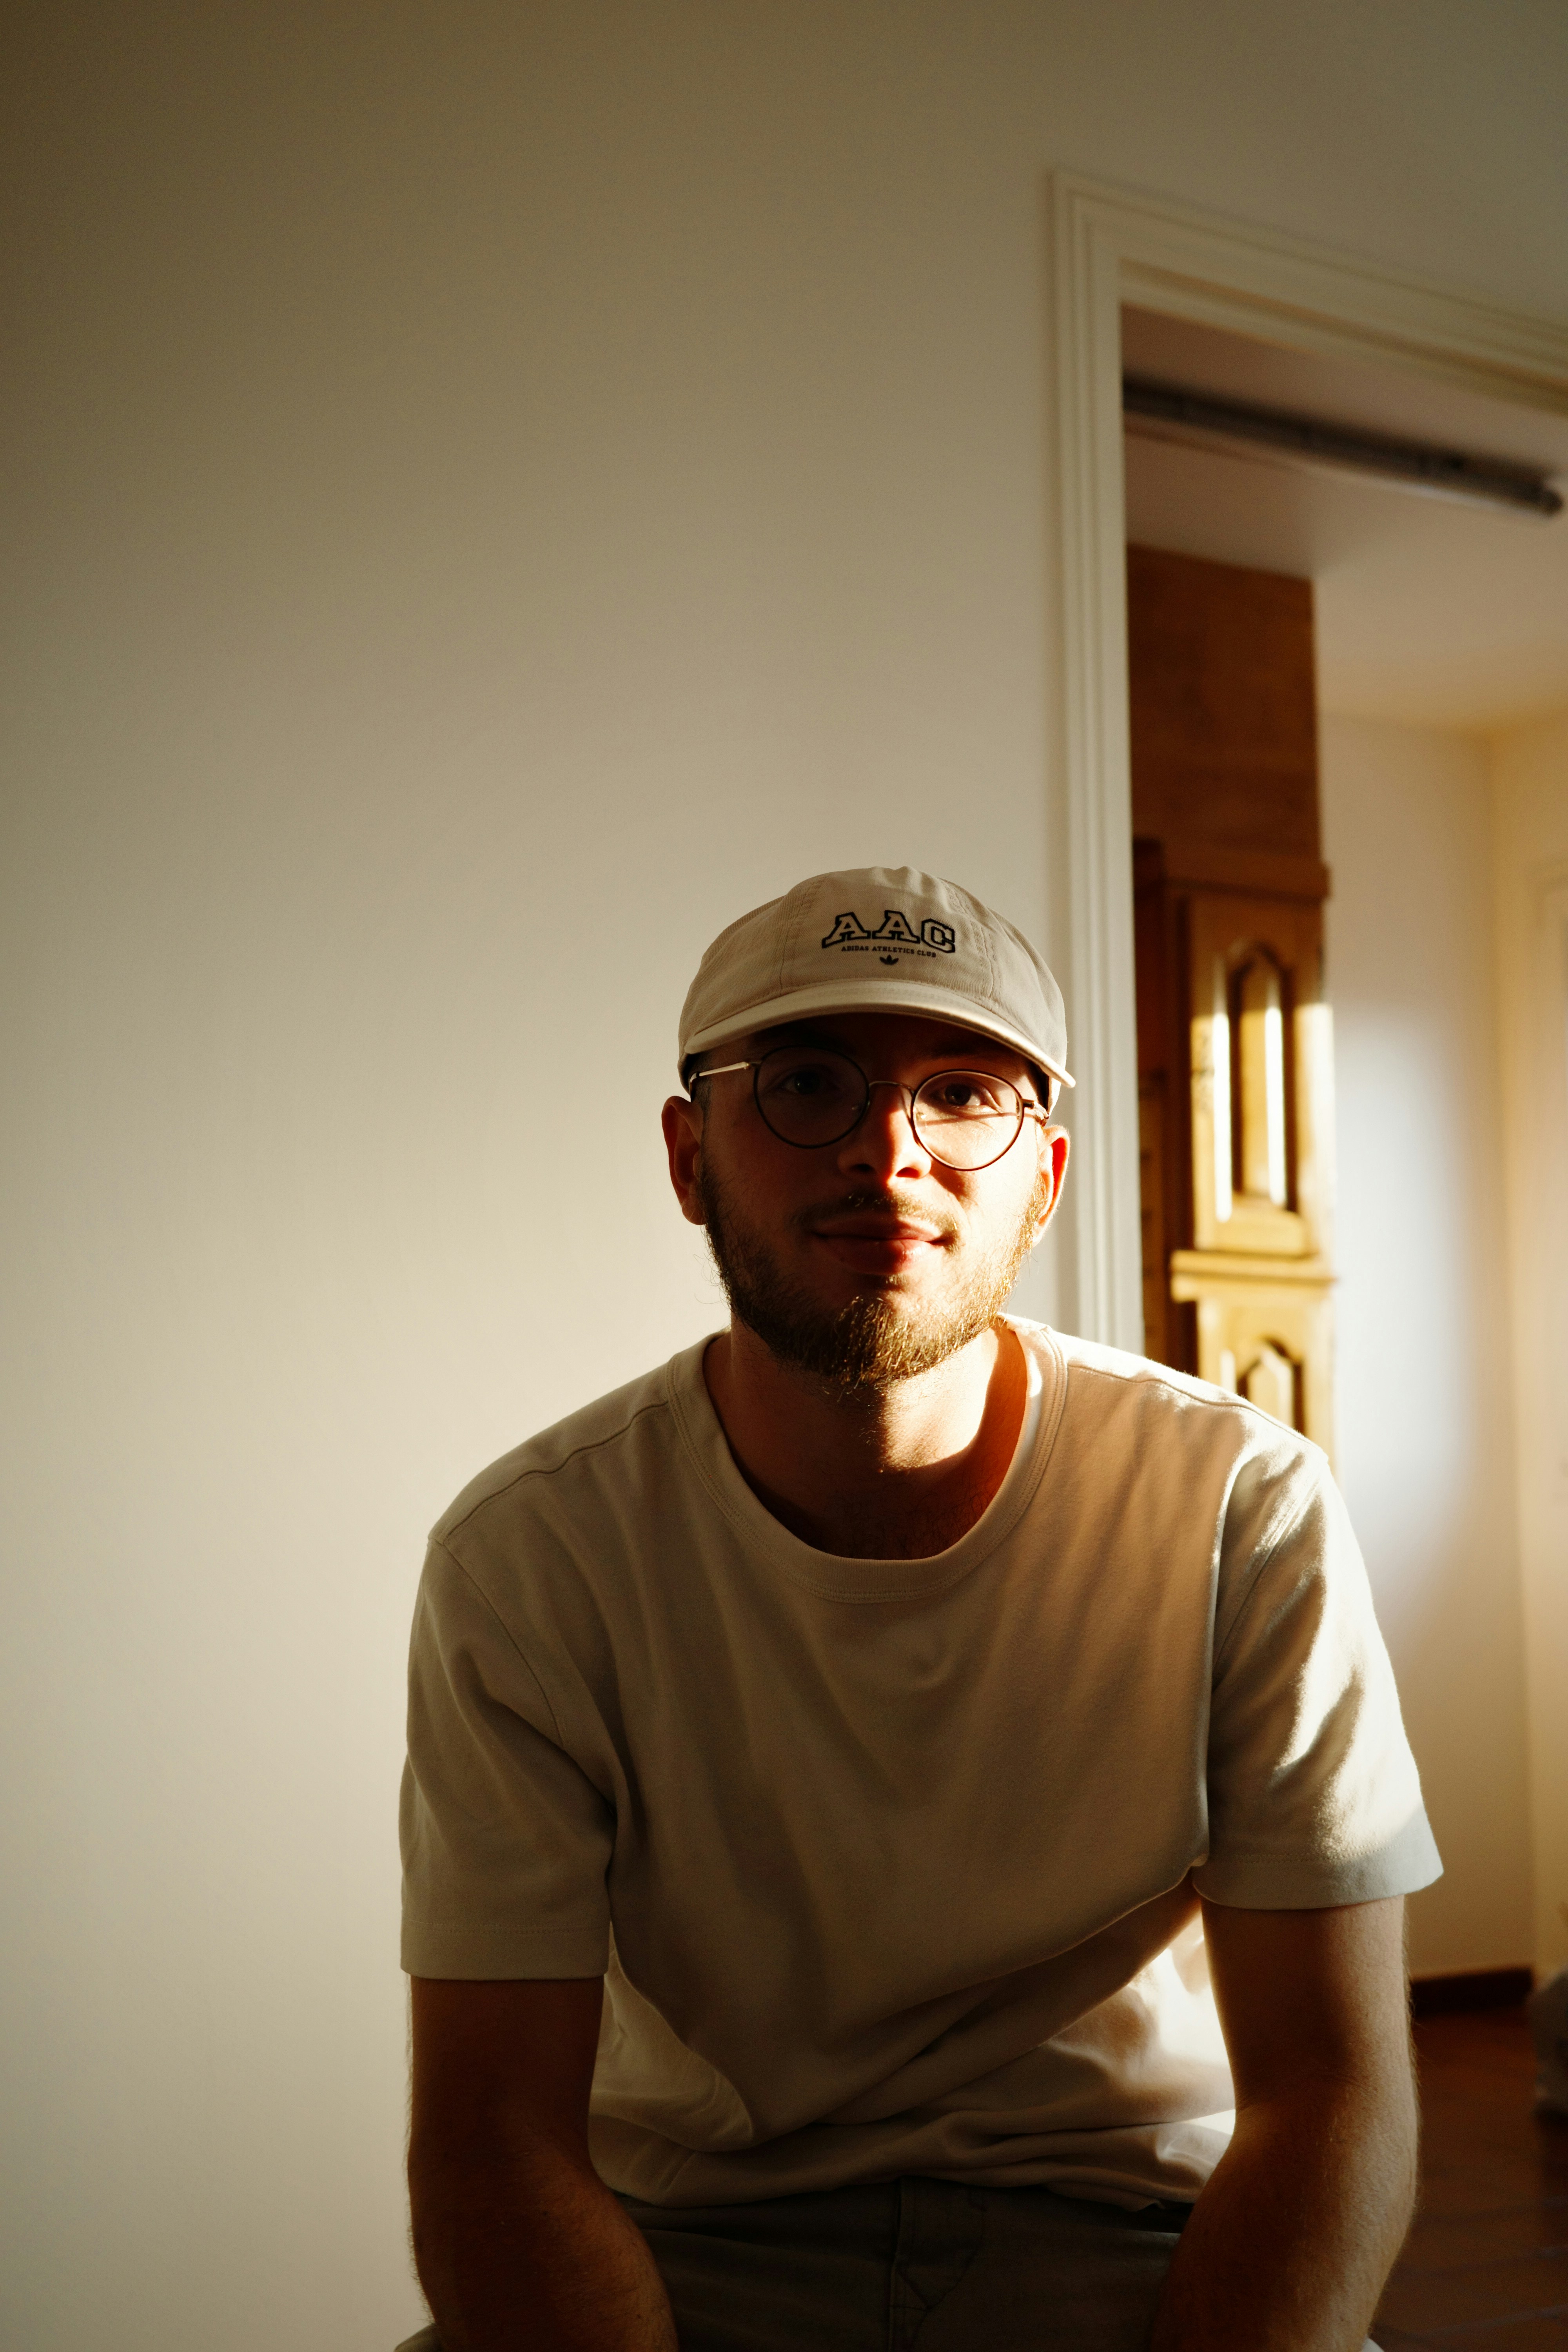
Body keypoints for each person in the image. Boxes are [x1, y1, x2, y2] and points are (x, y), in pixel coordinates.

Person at [398, 865, 1439, 2352]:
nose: (890, 1155)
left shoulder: (1240, 1509)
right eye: (811, 1083)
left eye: (963, 1093)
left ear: (1048, 1174)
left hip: (1139, 2236)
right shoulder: (533, 1557)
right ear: (691, 1160)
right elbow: (493, 2135)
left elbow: (1334, 2091)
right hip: (702, 2248)